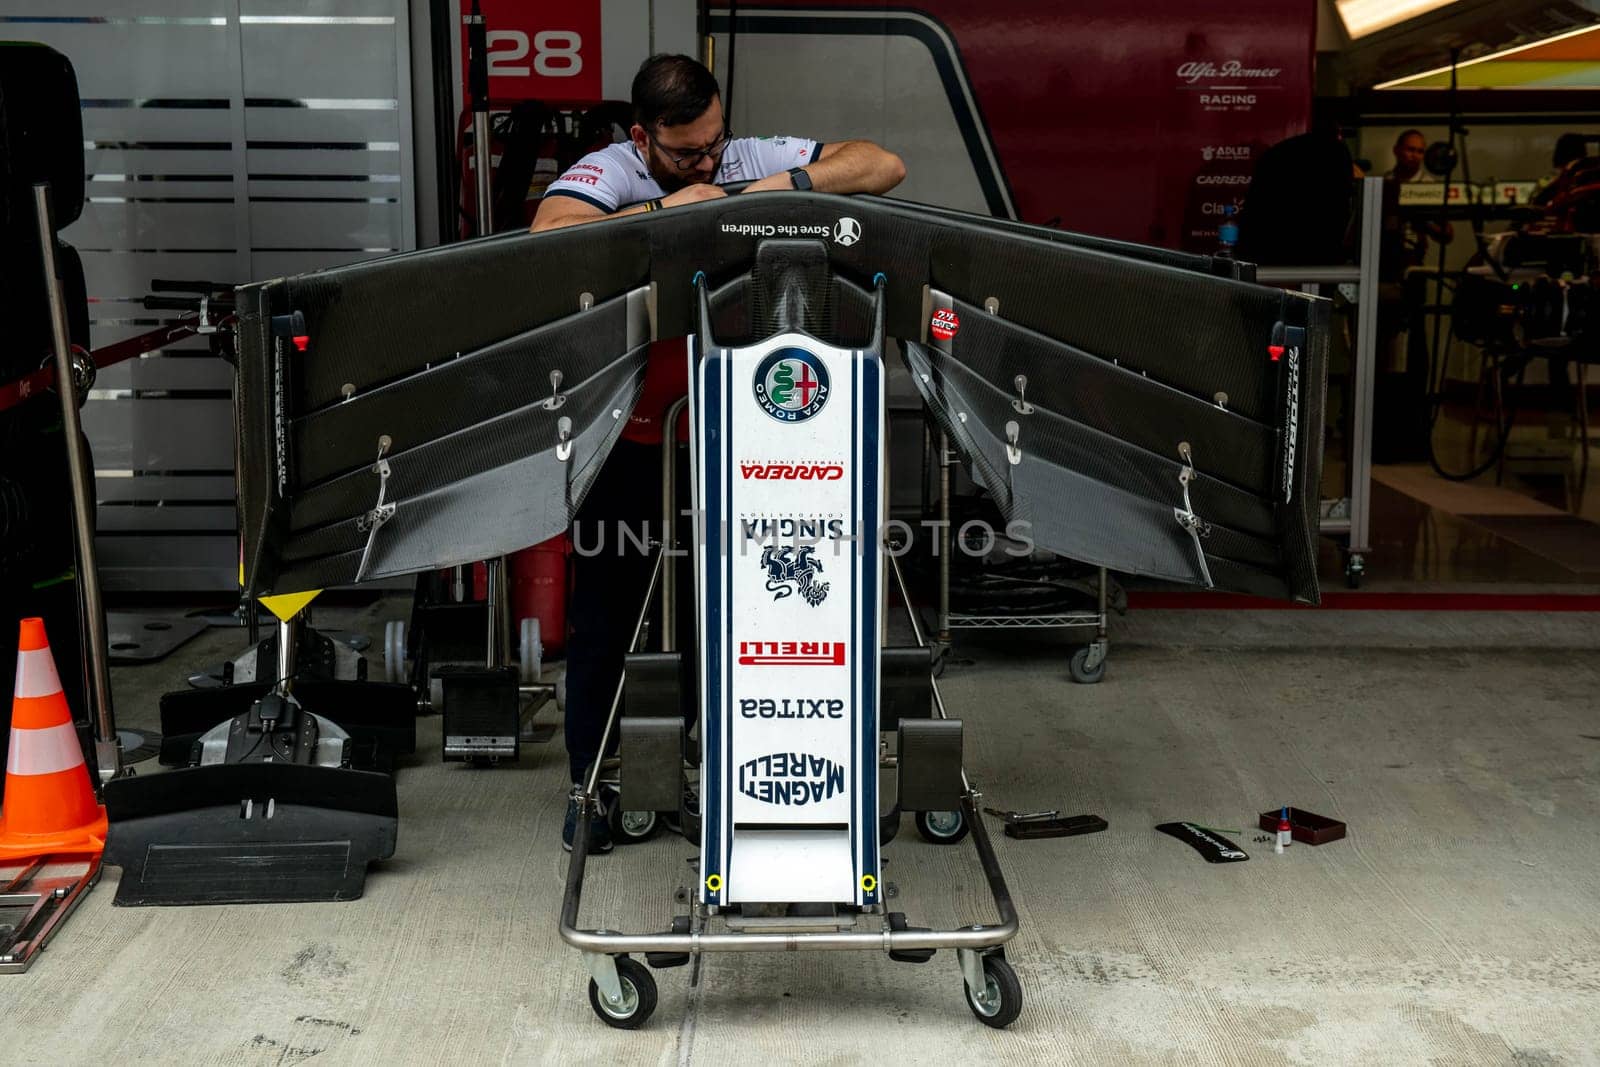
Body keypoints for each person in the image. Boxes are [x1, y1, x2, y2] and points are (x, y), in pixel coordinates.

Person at [531, 54, 905, 853]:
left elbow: (881, 163)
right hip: (627, 438)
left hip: (736, 442)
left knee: (727, 617)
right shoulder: (611, 168)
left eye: (712, 143)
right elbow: (550, 232)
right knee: (606, 620)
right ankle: (589, 787)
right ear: (643, 137)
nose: (704, 159)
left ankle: (712, 777)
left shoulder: (741, 159)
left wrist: (737, 196)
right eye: (684, 151)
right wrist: (669, 210)